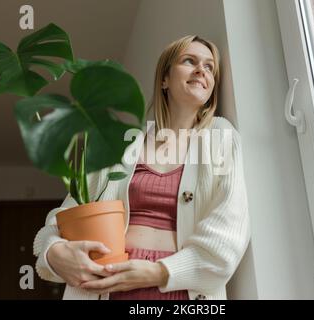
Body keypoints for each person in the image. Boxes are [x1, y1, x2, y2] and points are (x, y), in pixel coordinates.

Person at [33, 35, 251, 300]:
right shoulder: (120, 144)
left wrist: (158, 272)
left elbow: (230, 234)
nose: (200, 71)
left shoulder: (221, 137)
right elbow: (68, 215)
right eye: (189, 61)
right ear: (164, 79)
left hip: (180, 290)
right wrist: (52, 251)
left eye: (209, 67)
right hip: (107, 285)